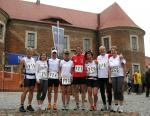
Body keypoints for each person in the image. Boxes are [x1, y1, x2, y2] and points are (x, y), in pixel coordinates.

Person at [109, 46, 126, 113]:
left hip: (120, 76)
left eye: (114, 50)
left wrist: (125, 77)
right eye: (111, 51)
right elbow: (109, 69)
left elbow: (124, 66)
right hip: (113, 76)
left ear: (116, 51)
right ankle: (116, 106)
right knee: (115, 91)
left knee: (119, 91)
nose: (112, 52)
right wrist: (109, 78)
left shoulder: (120, 57)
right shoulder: (110, 59)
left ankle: (121, 106)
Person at [19, 48, 36, 112]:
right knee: (25, 91)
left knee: (31, 91)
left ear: (32, 53)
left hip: (33, 77)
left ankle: (29, 105)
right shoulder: (23, 60)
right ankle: (21, 106)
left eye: (31, 52)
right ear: (26, 52)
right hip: (27, 77)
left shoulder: (34, 59)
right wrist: (21, 80)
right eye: (28, 52)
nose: (29, 53)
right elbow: (20, 70)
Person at [97, 46, 112, 111]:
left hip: (107, 76)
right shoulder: (98, 57)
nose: (102, 51)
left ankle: (110, 105)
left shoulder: (108, 56)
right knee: (102, 91)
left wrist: (120, 56)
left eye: (103, 50)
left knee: (109, 91)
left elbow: (115, 56)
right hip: (100, 77)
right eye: (101, 50)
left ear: (105, 50)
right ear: (99, 51)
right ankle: (104, 105)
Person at [72, 46, 87, 110]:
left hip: (83, 76)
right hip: (75, 76)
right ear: (76, 51)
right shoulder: (73, 57)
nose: (78, 51)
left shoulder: (84, 56)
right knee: (76, 91)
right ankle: (77, 104)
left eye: (79, 49)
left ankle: (83, 104)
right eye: (77, 50)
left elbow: (89, 60)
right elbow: (72, 66)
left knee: (83, 90)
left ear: (81, 50)